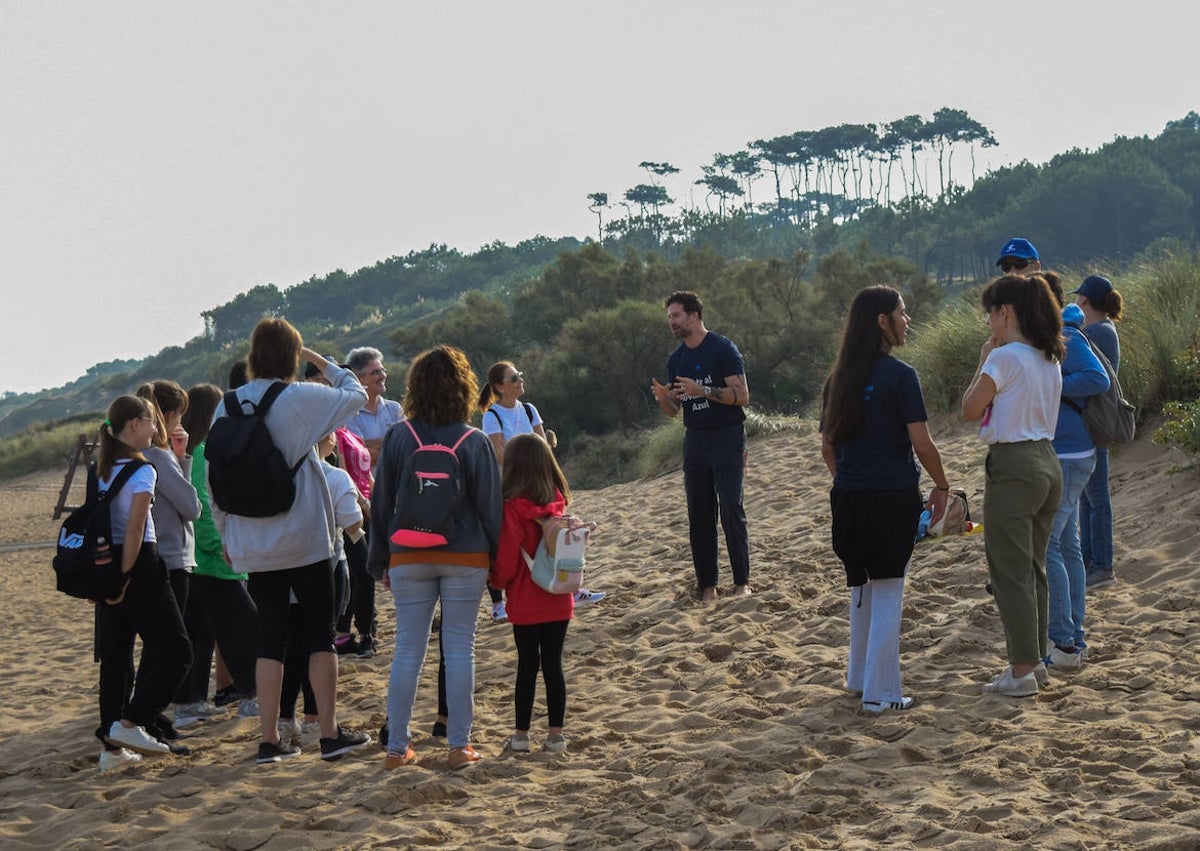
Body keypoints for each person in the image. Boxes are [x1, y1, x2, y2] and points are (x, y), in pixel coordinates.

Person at [208, 318, 372, 764]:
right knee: (319, 634)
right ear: (291, 356)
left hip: (253, 542)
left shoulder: (226, 406)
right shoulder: (299, 397)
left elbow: (215, 479)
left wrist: (226, 534)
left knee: (270, 637)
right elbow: (357, 396)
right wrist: (324, 362)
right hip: (304, 538)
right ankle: (329, 733)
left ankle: (268, 740)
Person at [369, 345, 502, 771]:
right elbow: (490, 507)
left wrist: (380, 560)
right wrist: (497, 564)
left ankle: (396, 749)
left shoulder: (398, 436)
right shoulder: (475, 440)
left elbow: (381, 501)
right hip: (466, 555)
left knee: (408, 648)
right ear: (465, 388)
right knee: (460, 646)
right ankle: (459, 746)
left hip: (408, 553)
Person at [820, 286, 951, 714]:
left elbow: (828, 448)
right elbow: (922, 444)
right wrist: (943, 485)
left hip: (848, 500)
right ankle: (881, 694)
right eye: (902, 312)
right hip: (891, 497)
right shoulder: (900, 376)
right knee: (890, 591)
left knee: (861, 588)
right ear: (882, 320)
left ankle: (858, 679)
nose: (907, 319)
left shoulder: (837, 379)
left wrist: (851, 481)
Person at [962, 274, 1065, 697]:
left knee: (1010, 572)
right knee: (1035, 567)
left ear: (1005, 312)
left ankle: (1021, 670)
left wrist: (985, 357)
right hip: (1047, 461)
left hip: (1014, 465)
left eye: (991, 313)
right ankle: (1035, 662)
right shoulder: (1048, 357)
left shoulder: (1004, 359)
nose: (989, 321)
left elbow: (970, 409)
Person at [93, 395, 192, 769]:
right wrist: (126, 576)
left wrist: (109, 579)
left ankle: (112, 750)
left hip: (105, 564)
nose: (156, 429)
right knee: (178, 652)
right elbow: (135, 527)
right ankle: (130, 724)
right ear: (132, 424)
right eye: (151, 421)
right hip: (139, 565)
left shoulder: (100, 466)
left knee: (116, 659)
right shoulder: (142, 468)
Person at [478, 361, 603, 621]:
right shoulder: (492, 416)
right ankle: (498, 603)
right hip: (511, 486)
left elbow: (543, 445)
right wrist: (529, 456)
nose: (520, 380)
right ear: (500, 386)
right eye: (514, 377)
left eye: (520, 375)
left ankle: (571, 588)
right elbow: (500, 453)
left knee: (556, 534)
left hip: (541, 482)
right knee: (510, 539)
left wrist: (549, 474)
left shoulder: (529, 408)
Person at [490, 433, 590, 752]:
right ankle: (556, 735)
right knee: (553, 665)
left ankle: (521, 736)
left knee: (527, 667)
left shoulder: (511, 509)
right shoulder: (559, 504)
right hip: (560, 595)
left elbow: (506, 558)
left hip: (525, 599)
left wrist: (496, 582)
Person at [649, 291, 751, 601]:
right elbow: (674, 412)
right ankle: (708, 586)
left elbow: (742, 395)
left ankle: (742, 583)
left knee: (731, 507)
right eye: (669, 318)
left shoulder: (722, 349)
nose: (672, 323)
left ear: (694, 316)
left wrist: (702, 389)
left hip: (727, 436)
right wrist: (665, 400)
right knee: (700, 513)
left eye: (676, 316)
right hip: (695, 441)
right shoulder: (676, 359)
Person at [178, 383, 259, 723]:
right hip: (214, 561)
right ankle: (252, 695)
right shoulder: (202, 452)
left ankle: (190, 701)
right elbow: (204, 507)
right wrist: (222, 545)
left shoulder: (202, 450)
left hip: (209, 562)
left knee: (202, 634)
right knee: (245, 628)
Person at [1042, 278, 1110, 671]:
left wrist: (1053, 386)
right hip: (1068, 453)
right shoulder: (1060, 334)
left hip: (1070, 454)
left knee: (1052, 546)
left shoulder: (1068, 336)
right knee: (1067, 545)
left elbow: (1098, 379)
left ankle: (1065, 643)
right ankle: (1074, 640)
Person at [305, 358, 377, 657]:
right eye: (323, 380)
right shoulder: (315, 428)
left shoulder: (345, 429)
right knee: (354, 571)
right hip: (342, 509)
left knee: (357, 573)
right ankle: (353, 633)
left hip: (359, 505)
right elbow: (340, 471)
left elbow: (362, 470)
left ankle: (355, 631)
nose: (329, 386)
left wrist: (371, 501)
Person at [1073, 274, 1124, 590]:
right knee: (1088, 498)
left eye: (1079, 298)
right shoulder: (1102, 330)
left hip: (1094, 423)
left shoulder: (1096, 333)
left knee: (1095, 498)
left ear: (1084, 301)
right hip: (1093, 422)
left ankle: (1102, 566)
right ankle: (1092, 562)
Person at [345, 346, 404, 470]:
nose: (383, 376)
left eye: (383, 370)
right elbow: (358, 457)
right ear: (358, 378)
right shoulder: (349, 413)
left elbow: (407, 446)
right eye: (376, 372)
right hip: (364, 488)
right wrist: (391, 444)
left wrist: (370, 445)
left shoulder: (394, 409)